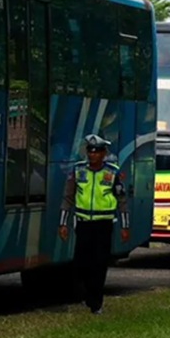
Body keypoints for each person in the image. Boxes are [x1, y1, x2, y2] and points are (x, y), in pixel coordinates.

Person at [58, 134, 130, 315]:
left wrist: (125, 226)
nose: (93, 155)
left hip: (103, 224)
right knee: (80, 264)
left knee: (99, 264)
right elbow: (68, 198)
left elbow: (122, 200)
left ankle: (96, 303)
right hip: (83, 223)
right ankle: (85, 293)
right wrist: (63, 223)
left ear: (104, 153)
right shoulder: (78, 170)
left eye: (97, 151)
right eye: (90, 151)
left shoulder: (112, 172)